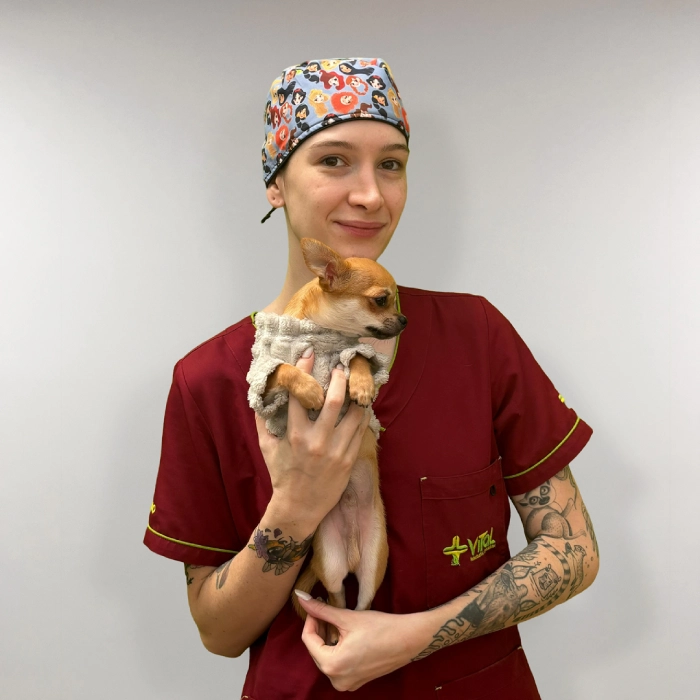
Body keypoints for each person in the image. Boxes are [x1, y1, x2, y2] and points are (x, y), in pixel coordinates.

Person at [144, 57, 599, 698]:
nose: (371, 195)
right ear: (276, 183)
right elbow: (218, 632)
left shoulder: (475, 336)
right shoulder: (209, 380)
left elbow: (573, 549)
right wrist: (297, 505)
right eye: (333, 160)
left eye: (392, 164)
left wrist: (416, 636)